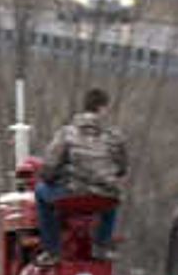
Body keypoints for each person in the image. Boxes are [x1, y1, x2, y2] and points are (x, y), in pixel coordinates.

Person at [35, 89, 128, 255]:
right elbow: (122, 168)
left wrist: (49, 179)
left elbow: (49, 166)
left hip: (73, 194)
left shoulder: (66, 133)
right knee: (113, 195)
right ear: (102, 108)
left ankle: (51, 249)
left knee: (40, 192)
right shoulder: (114, 136)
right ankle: (102, 243)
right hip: (102, 197)